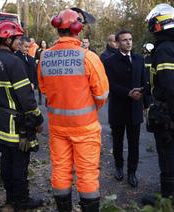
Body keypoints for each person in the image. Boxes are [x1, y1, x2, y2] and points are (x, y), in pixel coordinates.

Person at [38, 9, 109, 212]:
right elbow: (102, 94)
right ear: (78, 28)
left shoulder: (45, 57)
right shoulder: (88, 57)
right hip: (85, 127)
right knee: (87, 173)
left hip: (58, 126)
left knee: (60, 169)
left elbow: (44, 89)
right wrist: (88, 108)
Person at [0, 20, 44, 211]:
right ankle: (21, 201)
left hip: (2, 124)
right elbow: (26, 97)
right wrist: (37, 118)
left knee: (6, 162)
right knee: (20, 164)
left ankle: (10, 199)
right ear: (8, 39)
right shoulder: (14, 62)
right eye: (17, 38)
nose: (19, 42)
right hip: (18, 127)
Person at [143, 3, 174, 202]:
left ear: (158, 25)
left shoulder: (163, 50)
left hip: (167, 110)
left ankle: (166, 198)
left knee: (166, 151)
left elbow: (169, 86)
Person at [104, 29, 148, 188]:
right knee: (117, 140)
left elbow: (145, 81)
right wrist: (127, 93)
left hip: (135, 108)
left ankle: (132, 172)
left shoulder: (139, 59)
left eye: (130, 39)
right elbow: (109, 84)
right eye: (124, 40)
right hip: (118, 107)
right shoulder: (109, 61)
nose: (128, 42)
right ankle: (119, 167)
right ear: (117, 43)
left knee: (134, 142)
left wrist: (146, 102)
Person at [35, 40, 48, 105]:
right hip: (40, 69)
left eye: (44, 43)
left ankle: (47, 99)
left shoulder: (49, 50)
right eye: (42, 43)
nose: (43, 44)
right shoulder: (38, 50)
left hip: (47, 69)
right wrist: (36, 60)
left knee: (47, 85)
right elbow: (35, 58)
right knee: (40, 84)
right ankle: (40, 99)